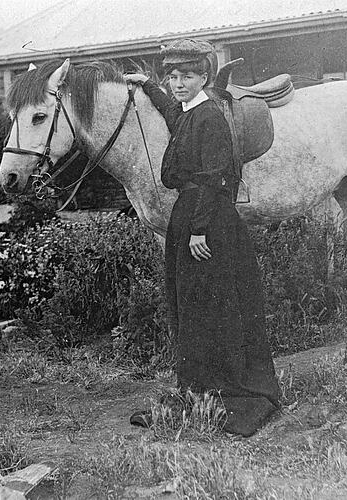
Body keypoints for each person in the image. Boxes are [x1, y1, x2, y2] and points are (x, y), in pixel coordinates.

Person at [124, 38, 280, 437]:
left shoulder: (210, 117)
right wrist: (147, 85)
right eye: (173, 77)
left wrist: (198, 230)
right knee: (191, 305)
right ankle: (197, 388)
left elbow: (215, 178)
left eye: (187, 77)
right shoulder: (186, 111)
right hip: (191, 212)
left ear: (204, 78)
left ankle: (224, 388)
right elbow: (170, 110)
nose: (178, 84)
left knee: (210, 304)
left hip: (208, 221)